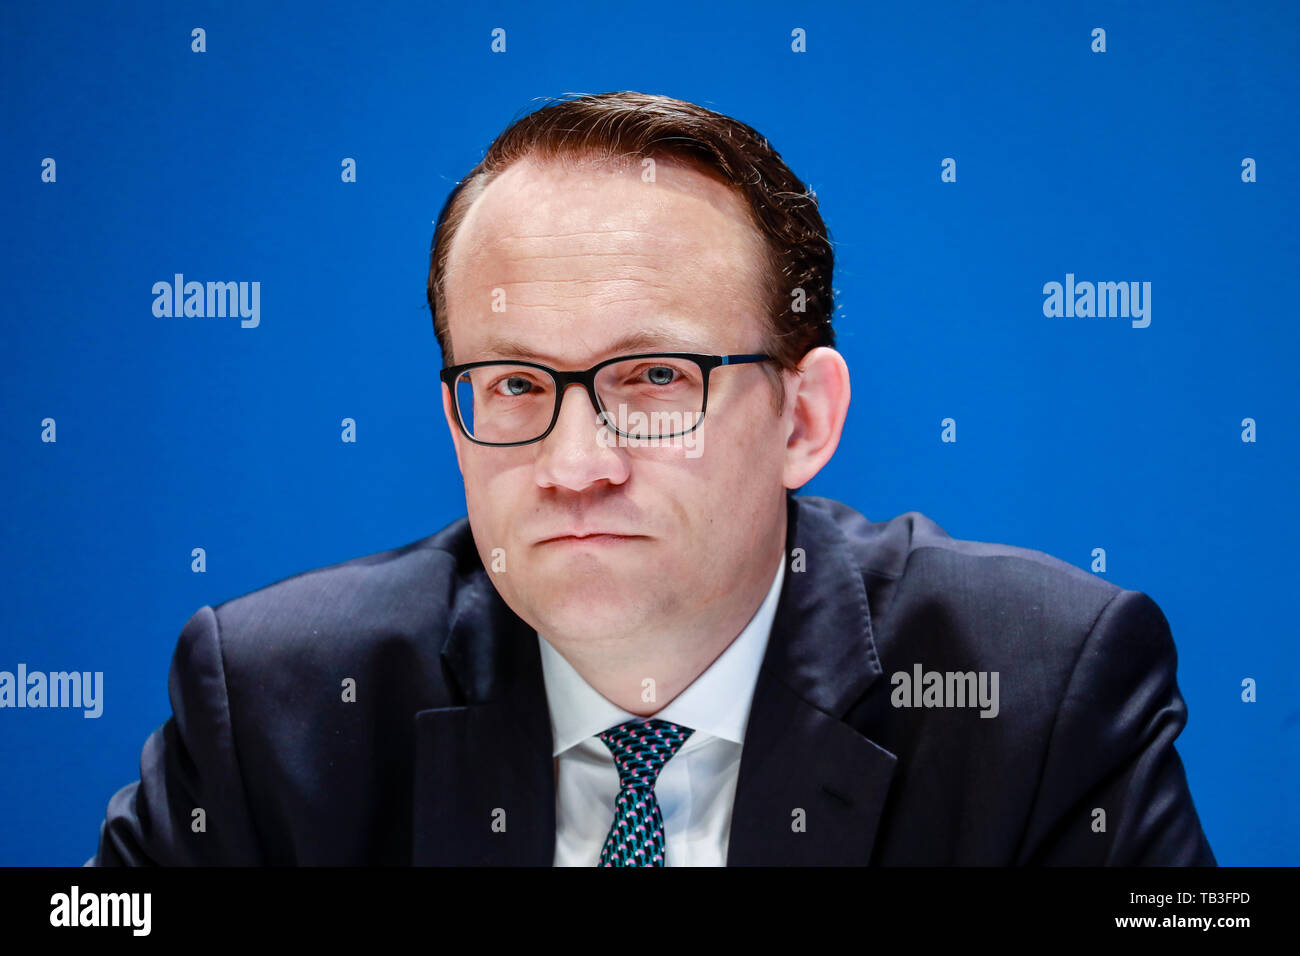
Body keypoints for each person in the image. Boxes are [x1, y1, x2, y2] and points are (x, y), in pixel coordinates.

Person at [89, 91, 1215, 866]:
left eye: (654, 377)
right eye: (517, 385)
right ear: (455, 417)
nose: (575, 465)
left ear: (803, 418)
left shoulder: (1041, 689)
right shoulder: (278, 705)